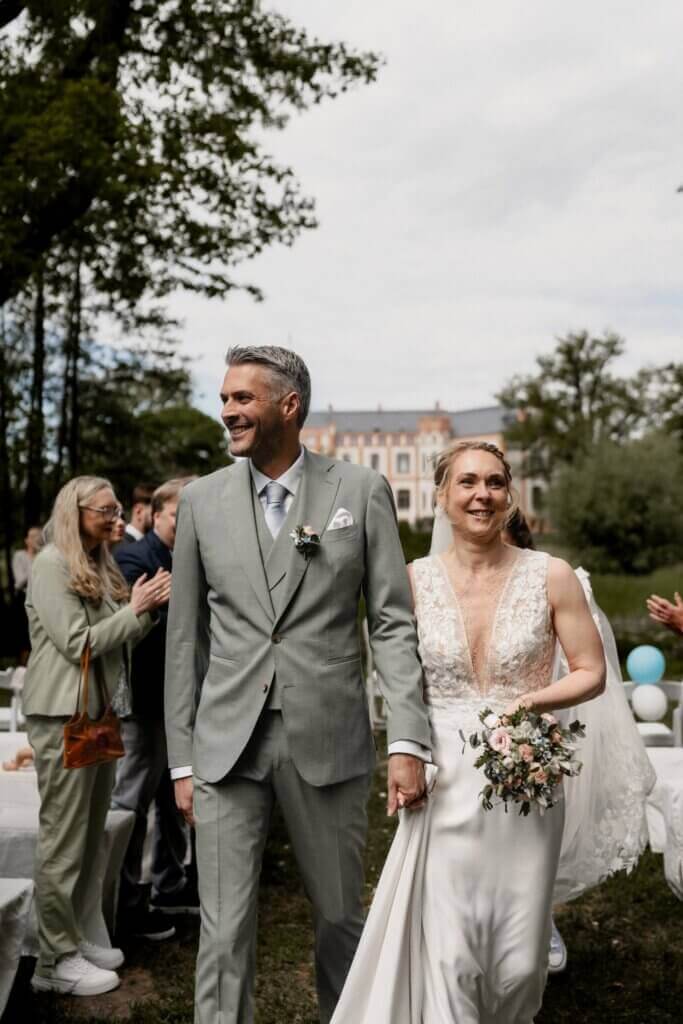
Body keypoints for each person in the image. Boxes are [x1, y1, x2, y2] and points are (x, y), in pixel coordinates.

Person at [165, 345, 431, 1024]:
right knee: (222, 931)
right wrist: (183, 758)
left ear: (289, 405)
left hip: (330, 738)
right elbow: (185, 638)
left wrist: (407, 738)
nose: (227, 412)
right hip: (225, 745)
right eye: (224, 399)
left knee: (341, 917)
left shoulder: (359, 491)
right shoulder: (200, 500)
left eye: (242, 399)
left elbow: (392, 626)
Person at [331, 441, 606, 1024]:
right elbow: (394, 681)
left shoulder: (551, 576)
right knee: (450, 955)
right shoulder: (409, 582)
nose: (482, 494)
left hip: (528, 785)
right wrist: (403, 753)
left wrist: (529, 703)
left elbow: (592, 672)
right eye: (468, 483)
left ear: (509, 495)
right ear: (442, 497)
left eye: (495, 483)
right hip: (443, 783)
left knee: (519, 965)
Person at [23, 476, 171, 997]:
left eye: (115, 510)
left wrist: (143, 609)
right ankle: (51, 961)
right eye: (105, 510)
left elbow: (119, 637)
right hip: (63, 716)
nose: (116, 518)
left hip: (98, 715)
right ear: (75, 510)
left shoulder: (96, 563)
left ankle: (78, 939)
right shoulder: (49, 565)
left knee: (89, 838)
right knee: (63, 841)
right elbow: (77, 642)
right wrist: (136, 609)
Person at [500, 510, 654, 975]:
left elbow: (589, 662)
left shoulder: (557, 580)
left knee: (529, 827)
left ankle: (537, 918)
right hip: (470, 716)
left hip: (544, 712)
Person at [112, 478, 197, 942]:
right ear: (158, 514)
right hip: (145, 703)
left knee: (171, 799)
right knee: (133, 803)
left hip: (177, 702)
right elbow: (134, 623)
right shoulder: (135, 558)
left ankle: (170, 885)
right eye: (178, 513)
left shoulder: (183, 558)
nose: (186, 520)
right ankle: (126, 903)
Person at [11, 525, 42, 663]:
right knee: (24, 636)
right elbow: (19, 582)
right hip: (23, 599)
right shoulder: (20, 556)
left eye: (39, 536)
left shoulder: (43, 556)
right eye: (33, 536)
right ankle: (22, 669)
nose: (36, 539)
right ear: (27, 540)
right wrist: (36, 565)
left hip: (41, 599)